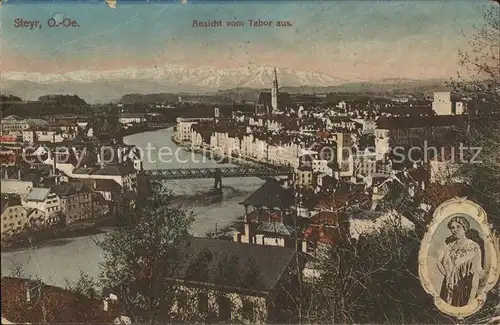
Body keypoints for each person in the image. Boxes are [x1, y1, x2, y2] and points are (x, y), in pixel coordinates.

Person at [437, 215, 484, 307]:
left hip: (464, 287)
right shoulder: (448, 246)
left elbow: (477, 271)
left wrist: (472, 295)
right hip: (447, 285)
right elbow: (438, 261)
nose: (455, 230)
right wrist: (447, 274)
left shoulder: (474, 246)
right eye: (452, 228)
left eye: (458, 226)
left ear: (464, 227)